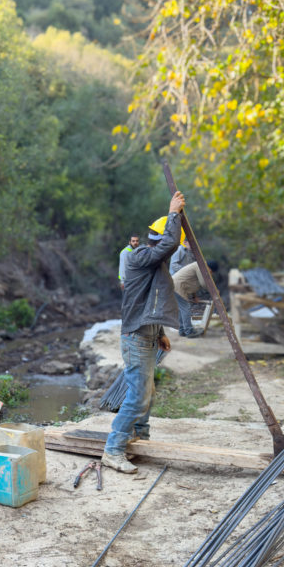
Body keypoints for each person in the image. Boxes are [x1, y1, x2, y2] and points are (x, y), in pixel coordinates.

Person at [102, 191, 186, 474]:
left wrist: (160, 332)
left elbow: (152, 301)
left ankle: (141, 440)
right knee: (138, 396)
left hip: (148, 336)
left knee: (146, 392)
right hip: (136, 338)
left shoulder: (153, 264)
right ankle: (113, 450)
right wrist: (173, 212)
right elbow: (169, 244)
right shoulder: (140, 257)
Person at [170, 240, 197, 337]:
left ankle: (182, 330)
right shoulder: (179, 250)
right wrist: (186, 271)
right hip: (176, 283)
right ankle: (189, 331)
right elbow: (173, 265)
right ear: (185, 242)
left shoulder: (190, 252)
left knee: (181, 308)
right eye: (190, 242)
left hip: (183, 283)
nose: (192, 245)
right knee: (185, 307)